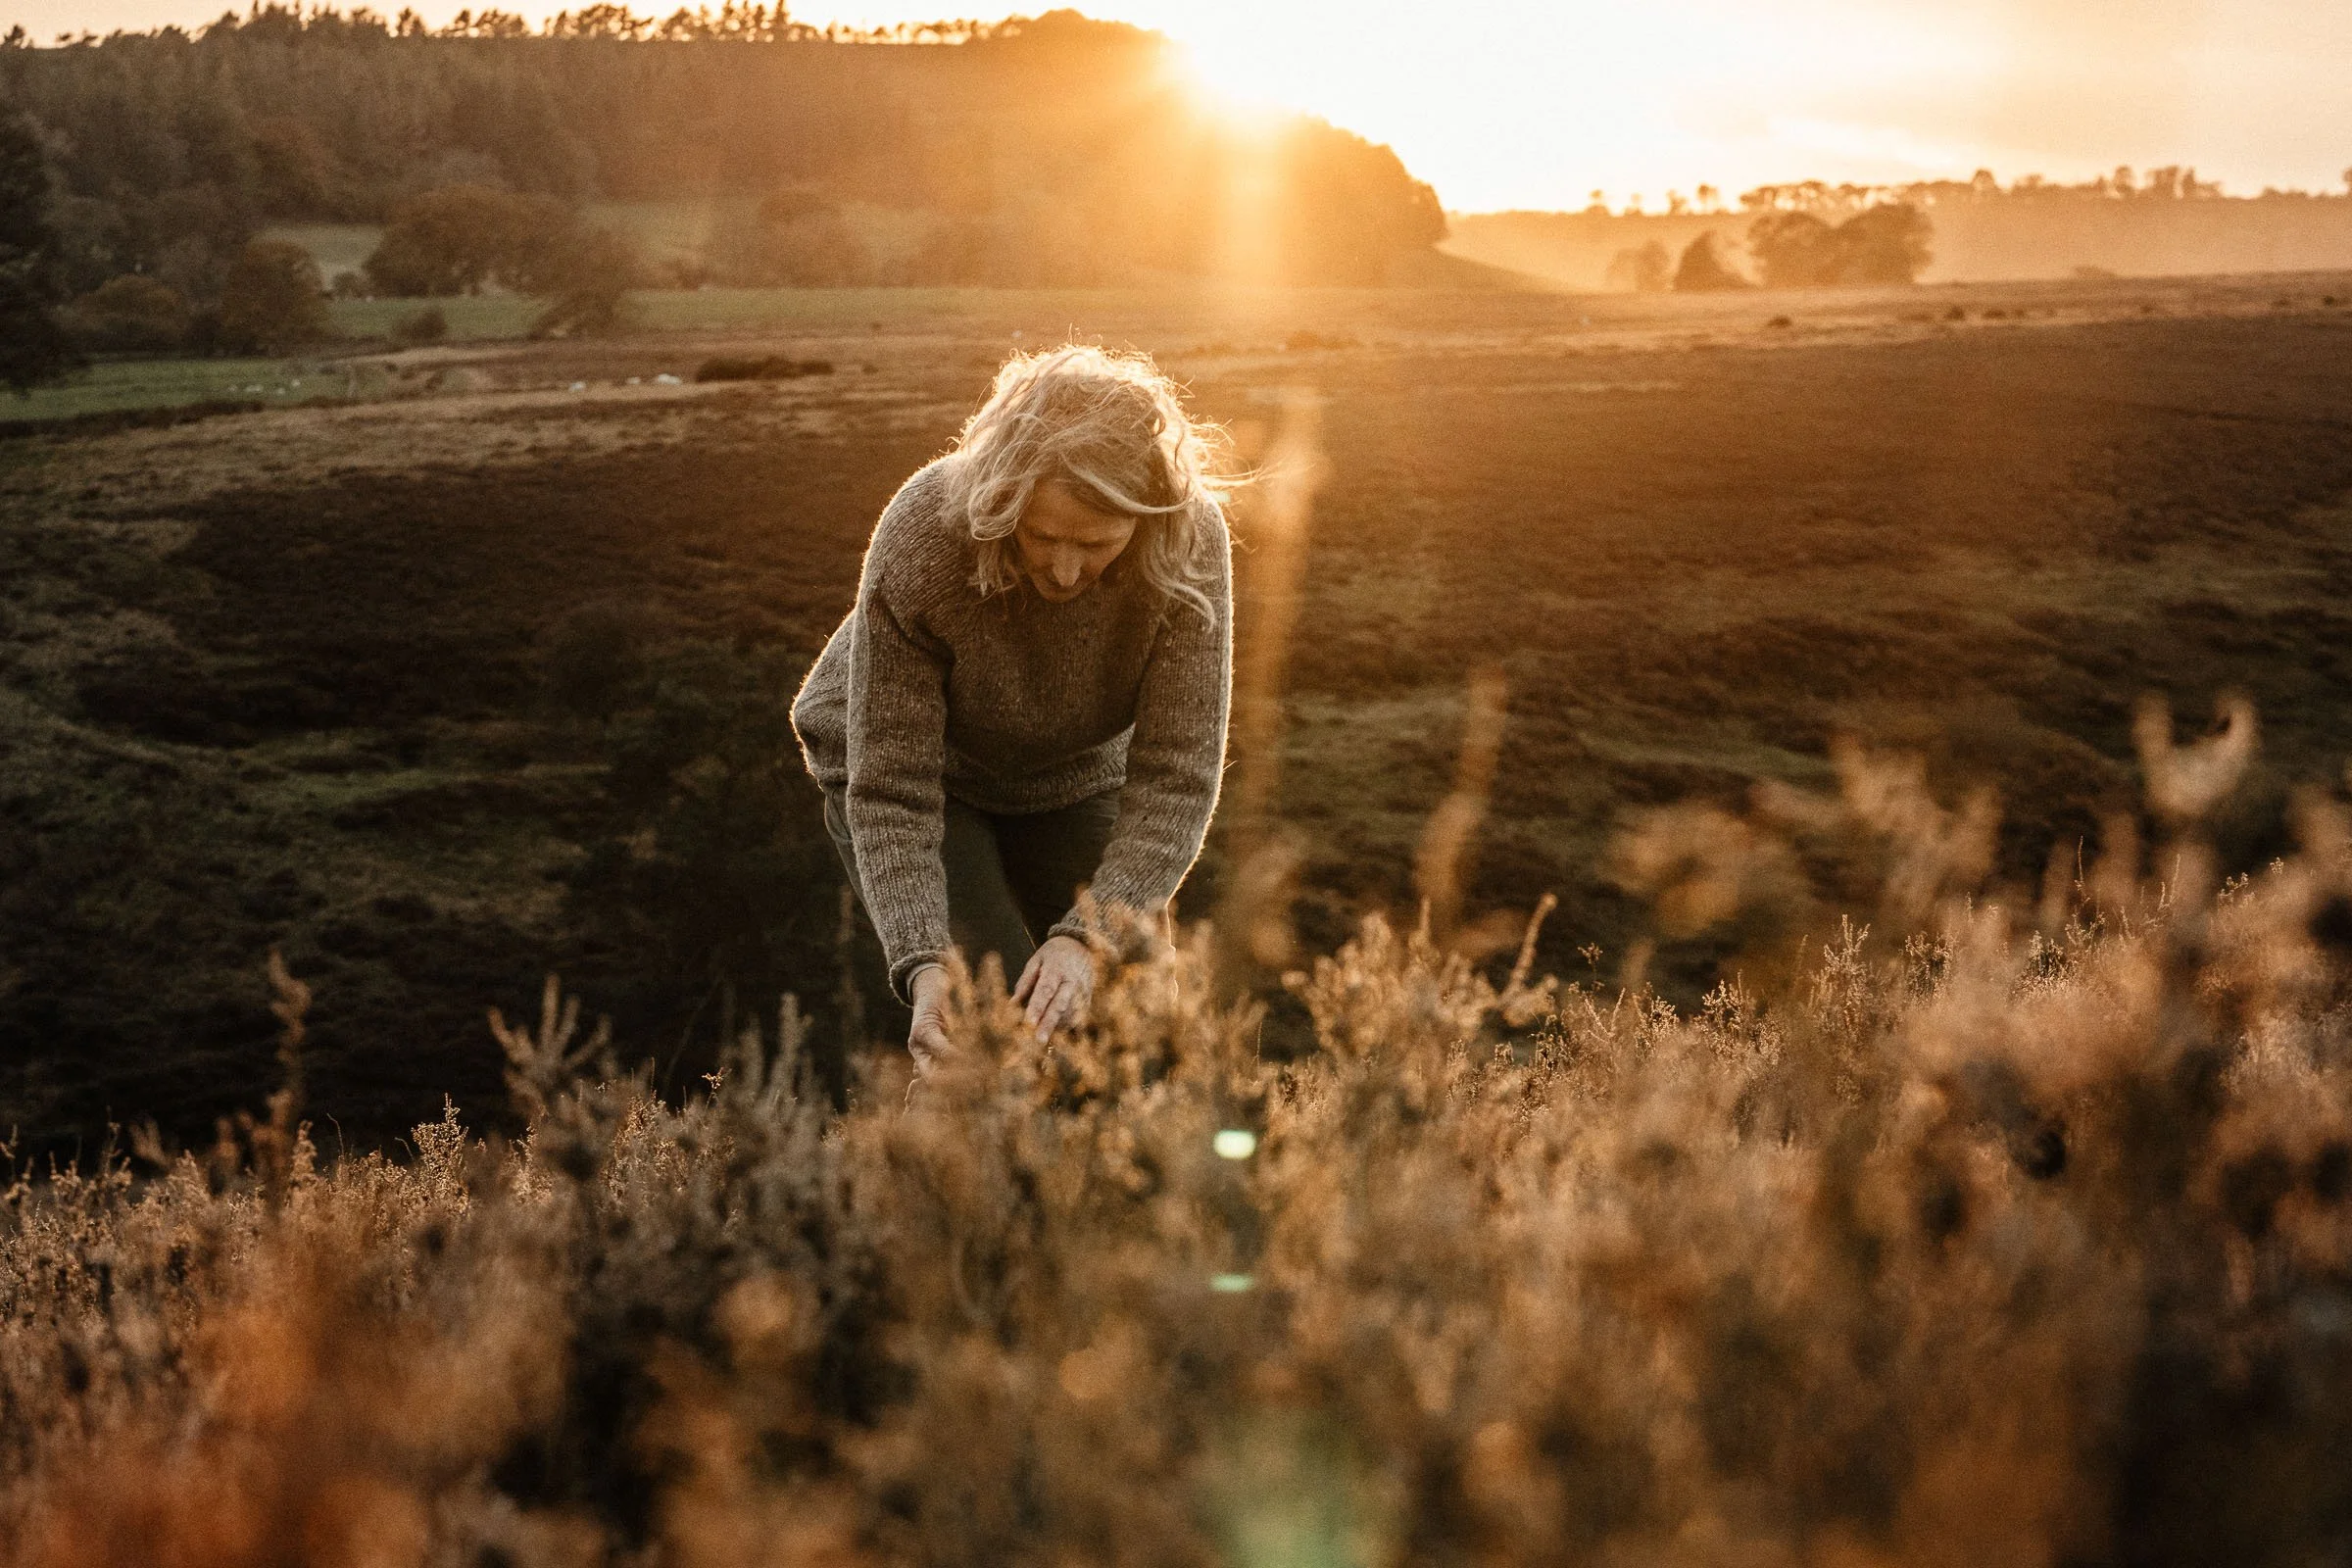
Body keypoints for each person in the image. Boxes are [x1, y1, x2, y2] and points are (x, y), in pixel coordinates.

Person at [791, 345, 1234, 1075]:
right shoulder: (926, 535)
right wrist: (927, 960)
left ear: (1146, 516)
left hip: (1067, 772)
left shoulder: (1188, 545)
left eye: (1095, 543)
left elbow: (1177, 777)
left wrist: (1089, 937)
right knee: (988, 1024)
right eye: (1041, 536)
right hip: (916, 777)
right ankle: (951, 1185)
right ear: (1002, 501)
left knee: (1141, 1019)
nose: (1065, 570)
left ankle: (1124, 1186)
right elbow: (893, 788)